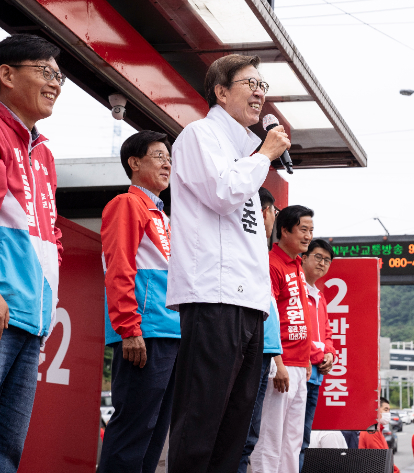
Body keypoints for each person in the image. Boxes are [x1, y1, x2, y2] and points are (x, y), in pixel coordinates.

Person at [165, 53, 290, 473]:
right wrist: (265, 155)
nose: (259, 93)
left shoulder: (243, 153)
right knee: (200, 422)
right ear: (221, 92)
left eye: (263, 86)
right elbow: (222, 192)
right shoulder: (199, 136)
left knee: (234, 431)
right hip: (214, 297)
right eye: (249, 84)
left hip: (249, 304)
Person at [98, 130, 180, 473]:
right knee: (133, 430)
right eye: (159, 156)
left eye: (170, 158)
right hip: (144, 334)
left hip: (171, 334)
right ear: (134, 162)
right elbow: (119, 267)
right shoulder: (126, 204)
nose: (168, 164)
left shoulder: (163, 215)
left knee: (154, 433)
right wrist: (130, 328)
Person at [0, 34, 63, 472]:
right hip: (3, 309)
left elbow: (52, 235)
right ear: (6, 74)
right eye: (44, 71)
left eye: (58, 76)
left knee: (8, 448)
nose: (55, 83)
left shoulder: (44, 154)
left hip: (32, 319)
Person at [251, 205, 314, 473]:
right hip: (282, 363)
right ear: (284, 229)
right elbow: (266, 315)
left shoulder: (297, 264)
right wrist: (277, 362)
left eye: (311, 230)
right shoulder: (271, 264)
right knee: (270, 436)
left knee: (293, 440)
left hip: (301, 364)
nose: (308, 236)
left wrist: (308, 357)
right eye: (303, 229)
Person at [237, 187, 283, 473]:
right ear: (264, 212)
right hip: (251, 349)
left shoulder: (260, 253)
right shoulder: (249, 251)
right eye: (274, 213)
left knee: (249, 435)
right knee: (243, 434)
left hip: (263, 351)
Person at [299, 239, 336, 471]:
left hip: (316, 375)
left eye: (327, 260)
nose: (323, 263)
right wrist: (318, 353)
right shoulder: (296, 288)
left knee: (303, 438)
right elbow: (291, 329)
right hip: (298, 370)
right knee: (288, 437)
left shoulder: (320, 296)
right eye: (318, 257)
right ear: (303, 257)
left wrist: (330, 353)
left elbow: (327, 332)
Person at [359, 397, 400, 473]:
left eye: (389, 410)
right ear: (376, 410)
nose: (388, 413)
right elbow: (381, 460)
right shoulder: (371, 431)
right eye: (385, 410)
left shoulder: (377, 430)